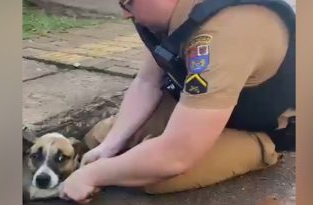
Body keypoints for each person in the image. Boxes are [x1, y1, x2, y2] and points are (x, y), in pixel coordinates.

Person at [60, 0, 296, 203]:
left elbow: (177, 155)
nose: (125, 14)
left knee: (156, 178)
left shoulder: (226, 31)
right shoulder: (172, 19)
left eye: (129, 2)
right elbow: (147, 82)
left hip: (261, 124)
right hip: (212, 108)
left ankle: (263, 147)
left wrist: (93, 175)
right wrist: (109, 146)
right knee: (100, 139)